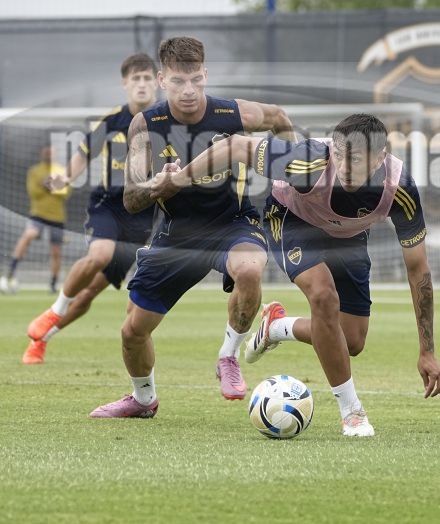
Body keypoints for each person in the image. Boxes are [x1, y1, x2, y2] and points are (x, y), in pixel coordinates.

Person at [161, 112, 440, 437]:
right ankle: (352, 412)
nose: (344, 166)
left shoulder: (400, 189)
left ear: (380, 158)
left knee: (352, 341)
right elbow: (236, 147)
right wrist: (178, 179)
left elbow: (418, 270)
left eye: (356, 159)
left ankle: (277, 327)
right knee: (323, 296)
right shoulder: (308, 160)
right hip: (292, 218)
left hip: (348, 236)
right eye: (339, 155)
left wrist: (427, 351)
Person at [89, 35, 296, 418]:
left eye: (196, 80)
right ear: (162, 79)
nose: (188, 90)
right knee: (133, 332)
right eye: (178, 81)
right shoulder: (146, 125)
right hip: (178, 235)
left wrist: (291, 181)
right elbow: (131, 198)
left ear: (205, 75)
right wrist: (157, 184)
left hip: (233, 223)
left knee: (250, 269)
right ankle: (143, 400)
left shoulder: (231, 113)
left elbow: (279, 118)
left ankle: (228, 356)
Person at [22, 52, 159, 365]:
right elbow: (84, 154)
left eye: (147, 78)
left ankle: (41, 340)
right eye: (135, 78)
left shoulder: (167, 120)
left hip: (143, 218)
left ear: (157, 83)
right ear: (125, 83)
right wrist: (65, 178)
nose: (141, 84)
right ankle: (55, 309)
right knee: (99, 255)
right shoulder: (110, 121)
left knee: (89, 294)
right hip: (108, 205)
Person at [0, 144, 71, 294]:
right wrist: (52, 185)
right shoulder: (34, 171)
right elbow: (34, 192)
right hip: (38, 214)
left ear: (55, 153)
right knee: (29, 234)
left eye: (51, 152)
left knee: (56, 251)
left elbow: (65, 192)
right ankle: (11, 272)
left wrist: (46, 185)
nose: (49, 154)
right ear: (42, 153)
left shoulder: (60, 170)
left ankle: (53, 284)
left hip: (57, 216)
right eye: (46, 152)